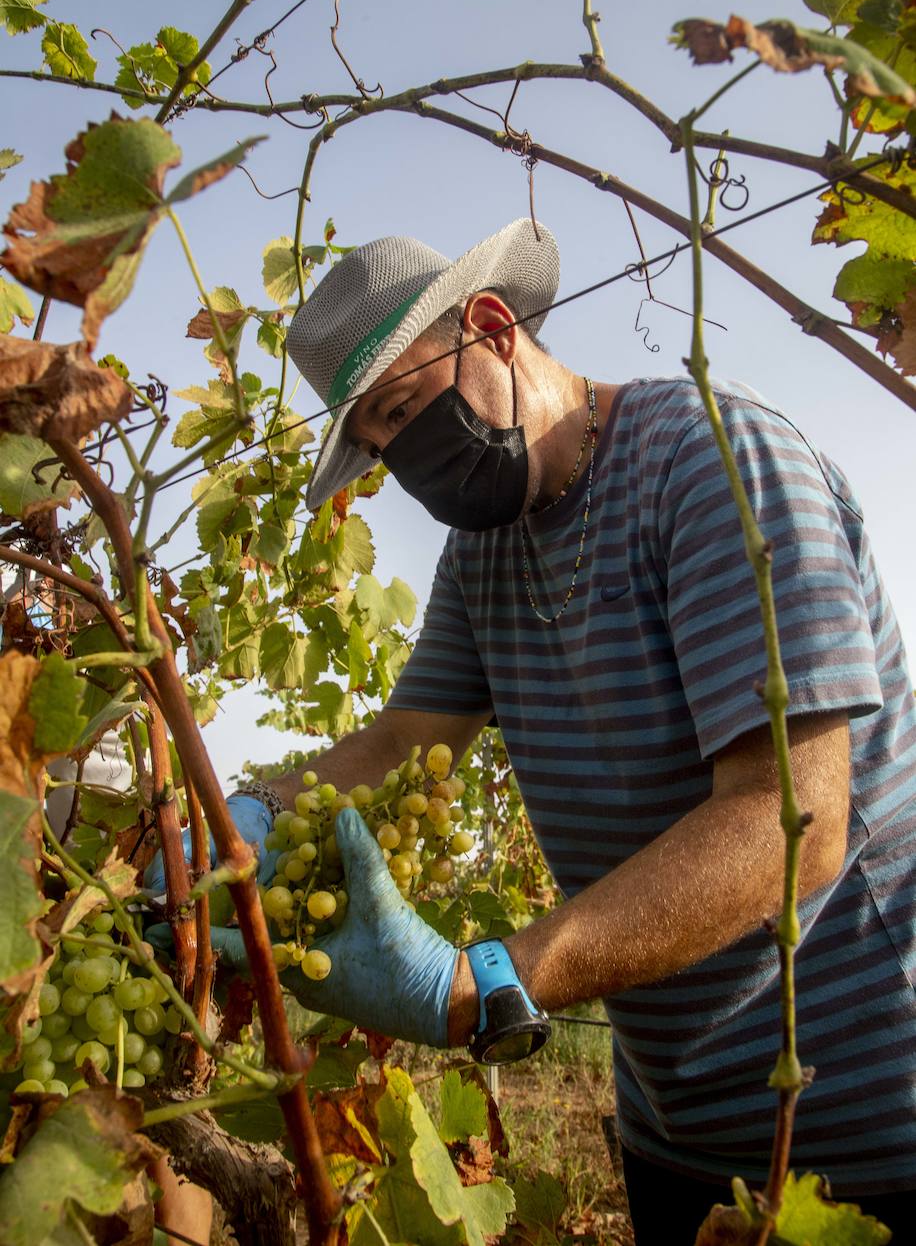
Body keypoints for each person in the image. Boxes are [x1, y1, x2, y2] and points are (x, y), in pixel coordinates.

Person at [158, 220, 916, 1242]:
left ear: (491, 324)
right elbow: (402, 739)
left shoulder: (717, 464)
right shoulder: (485, 559)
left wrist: (492, 979)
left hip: (867, 1124)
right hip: (672, 1132)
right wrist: (236, 824)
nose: (407, 463)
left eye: (399, 411)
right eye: (378, 448)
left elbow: (794, 819)